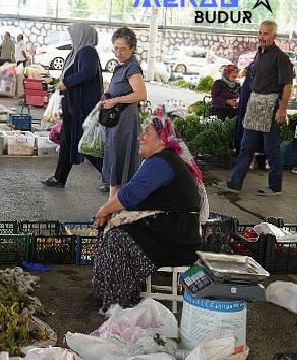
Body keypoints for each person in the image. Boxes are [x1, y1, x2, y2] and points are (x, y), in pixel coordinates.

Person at [93, 115, 208, 310]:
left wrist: (103, 211)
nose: (141, 137)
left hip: (176, 240)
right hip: (167, 232)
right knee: (112, 229)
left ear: (162, 139)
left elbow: (129, 195)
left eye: (148, 132)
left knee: (117, 238)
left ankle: (119, 303)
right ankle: (109, 295)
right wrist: (108, 214)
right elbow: (132, 197)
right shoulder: (162, 160)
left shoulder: (163, 162)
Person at [215, 20, 293, 196]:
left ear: (274, 36)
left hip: (271, 105)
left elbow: (288, 85)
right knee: (245, 146)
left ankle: (275, 187)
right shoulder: (259, 54)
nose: (262, 37)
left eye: (266, 34)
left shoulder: (281, 58)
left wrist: (282, 110)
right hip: (254, 103)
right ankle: (234, 183)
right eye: (260, 33)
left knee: (272, 149)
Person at [42, 23, 104, 188]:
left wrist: (67, 82)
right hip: (73, 106)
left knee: (87, 145)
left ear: (81, 35)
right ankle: (59, 178)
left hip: (83, 107)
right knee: (67, 141)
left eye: (73, 35)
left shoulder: (87, 52)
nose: (71, 38)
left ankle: (111, 178)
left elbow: (87, 73)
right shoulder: (77, 51)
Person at [102, 27, 147, 199]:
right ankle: (114, 207)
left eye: (123, 49)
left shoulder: (132, 67)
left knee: (121, 161)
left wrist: (115, 100)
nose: (118, 52)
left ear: (132, 49)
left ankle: (114, 207)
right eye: (116, 48)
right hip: (117, 121)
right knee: (116, 160)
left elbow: (141, 94)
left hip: (125, 122)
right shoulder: (122, 66)